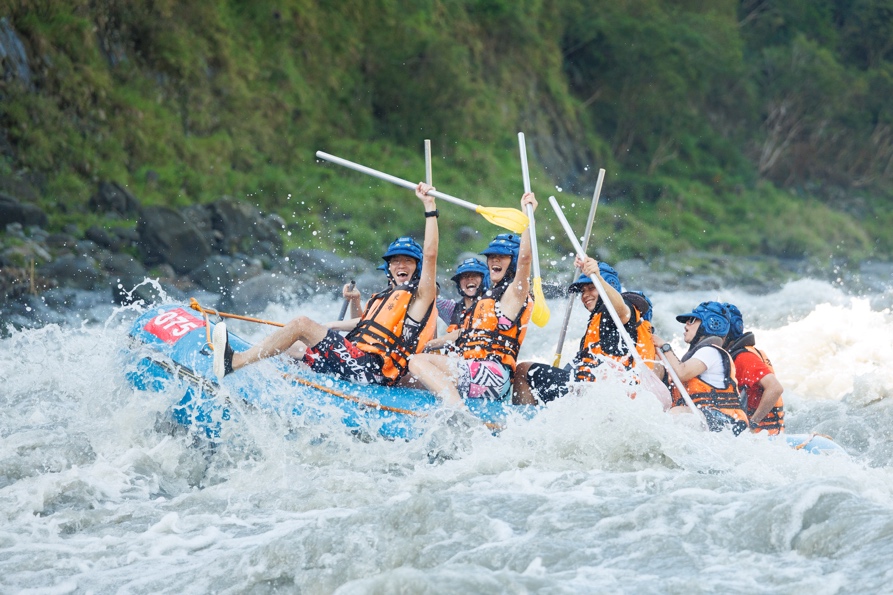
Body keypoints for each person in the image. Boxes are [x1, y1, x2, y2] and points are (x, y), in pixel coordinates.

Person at [212, 182, 439, 387]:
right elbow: (365, 325)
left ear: (417, 268)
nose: (401, 265)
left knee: (301, 324)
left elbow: (430, 255)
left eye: (408, 261)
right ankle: (260, 383)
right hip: (356, 357)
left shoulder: (420, 298)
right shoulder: (385, 297)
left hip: (372, 369)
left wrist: (429, 207)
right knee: (293, 345)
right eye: (396, 261)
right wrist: (346, 312)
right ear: (389, 268)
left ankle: (235, 362)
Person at [408, 192, 537, 407]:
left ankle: (456, 409)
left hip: (493, 375)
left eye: (502, 256)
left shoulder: (514, 294)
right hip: (473, 368)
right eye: (491, 256)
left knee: (417, 361)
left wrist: (527, 218)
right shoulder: (484, 299)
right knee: (411, 375)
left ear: (512, 263)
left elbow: (525, 260)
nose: (494, 259)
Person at [512, 257, 656, 405]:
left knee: (523, 370)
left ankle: (524, 422)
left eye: (591, 288)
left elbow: (621, 311)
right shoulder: (599, 320)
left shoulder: (619, 310)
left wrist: (598, 277)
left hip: (596, 393)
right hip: (595, 392)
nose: (585, 295)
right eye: (582, 291)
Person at [652, 301, 748, 435]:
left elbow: (682, 373)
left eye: (691, 320)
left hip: (727, 422)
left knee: (677, 413)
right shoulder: (699, 355)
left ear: (711, 323)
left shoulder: (710, 351)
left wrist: (664, 346)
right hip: (711, 419)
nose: (686, 325)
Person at [723, 302, 785, 434]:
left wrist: (752, 424)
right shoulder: (740, 354)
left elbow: (775, 388)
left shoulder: (744, 357)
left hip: (764, 435)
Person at [427, 257, 491, 352]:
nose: (470, 278)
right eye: (465, 276)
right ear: (459, 284)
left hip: (486, 362)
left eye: (475, 275)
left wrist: (426, 345)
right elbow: (427, 297)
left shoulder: (494, 308)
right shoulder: (450, 308)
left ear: (484, 280)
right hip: (456, 363)